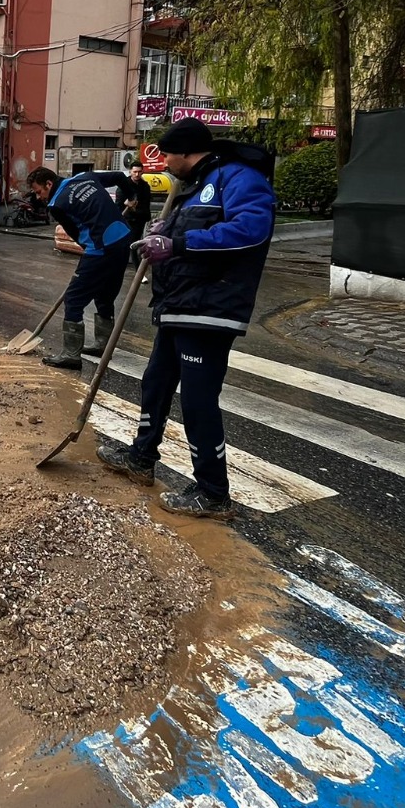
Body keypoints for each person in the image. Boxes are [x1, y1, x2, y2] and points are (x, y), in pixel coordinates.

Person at [95, 117, 277, 519]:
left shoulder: (238, 178)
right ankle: (141, 457)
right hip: (178, 305)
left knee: (197, 402)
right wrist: (166, 227)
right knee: (156, 382)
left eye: (168, 156)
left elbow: (251, 230)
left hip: (210, 309)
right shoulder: (194, 186)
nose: (163, 164)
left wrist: (177, 241)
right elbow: (190, 230)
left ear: (187, 153)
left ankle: (213, 493)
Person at [27, 165, 135, 370]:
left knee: (74, 299)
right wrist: (131, 196)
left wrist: (89, 255)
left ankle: (71, 355)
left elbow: (75, 233)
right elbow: (121, 176)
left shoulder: (57, 203)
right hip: (123, 240)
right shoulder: (85, 177)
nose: (39, 197)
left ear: (49, 184)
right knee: (105, 295)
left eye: (39, 191)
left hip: (100, 248)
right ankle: (103, 345)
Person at [121, 162, 153, 259]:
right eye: (135, 172)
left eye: (139, 172)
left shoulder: (145, 186)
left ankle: (136, 267)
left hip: (140, 219)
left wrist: (146, 215)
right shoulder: (124, 185)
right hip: (127, 219)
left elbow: (146, 203)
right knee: (128, 244)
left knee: (135, 244)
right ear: (130, 171)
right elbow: (119, 203)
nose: (137, 174)